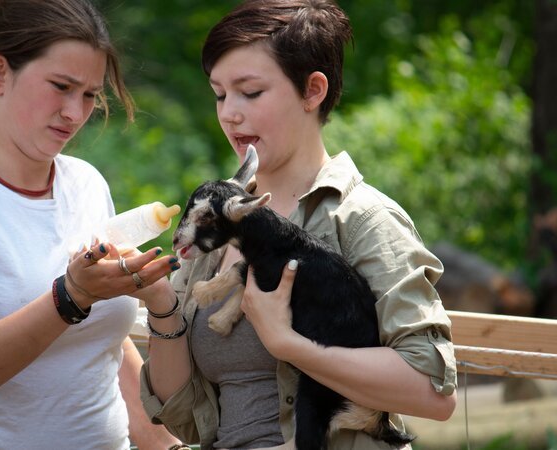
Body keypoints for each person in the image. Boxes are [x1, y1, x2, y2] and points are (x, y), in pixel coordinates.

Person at [137, 1, 458, 449]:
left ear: (313, 91)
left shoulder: (364, 219)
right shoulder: (219, 220)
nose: (229, 112)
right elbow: (181, 413)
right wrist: (160, 303)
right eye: (219, 94)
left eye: (250, 92)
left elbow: (433, 392)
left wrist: (288, 345)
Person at [0, 1, 185, 448]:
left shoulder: (85, 183)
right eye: (61, 86)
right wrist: (72, 296)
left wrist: (164, 445)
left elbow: (103, 347)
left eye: (88, 94)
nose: (74, 112)